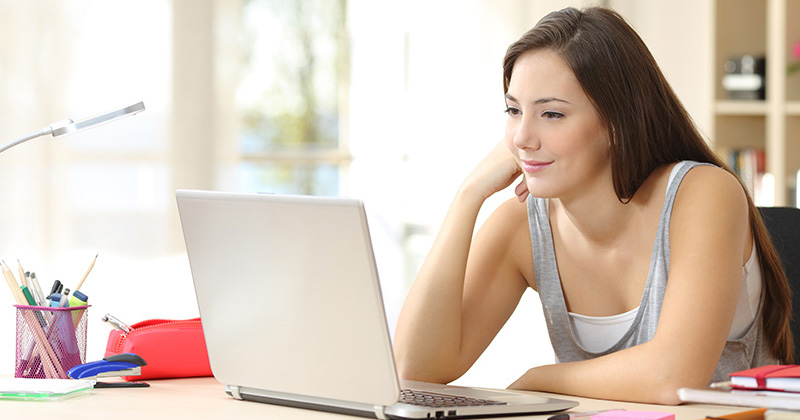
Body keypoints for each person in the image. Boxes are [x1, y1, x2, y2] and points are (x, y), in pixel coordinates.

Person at [392, 7, 793, 405]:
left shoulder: (702, 193)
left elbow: (672, 377)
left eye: (551, 114)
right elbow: (416, 367)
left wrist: (538, 379)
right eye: (514, 110)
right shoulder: (523, 225)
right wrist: (468, 196)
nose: (522, 138)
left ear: (616, 123)